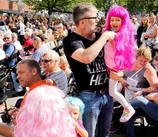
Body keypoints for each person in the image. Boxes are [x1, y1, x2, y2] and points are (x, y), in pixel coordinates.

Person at [63, 2, 116, 137]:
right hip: (89, 97)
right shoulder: (70, 40)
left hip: (107, 94)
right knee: (88, 134)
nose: (98, 20)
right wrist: (104, 37)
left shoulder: (98, 37)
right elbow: (86, 57)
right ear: (82, 22)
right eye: (95, 17)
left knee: (105, 134)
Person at [0, 59, 52, 137]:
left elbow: (22, 133)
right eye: (17, 74)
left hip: (17, 132)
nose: (17, 77)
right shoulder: (38, 88)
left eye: (21, 73)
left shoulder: (37, 96)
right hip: (17, 125)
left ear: (34, 71)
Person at [103, 5, 136, 123]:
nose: (114, 22)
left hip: (114, 70)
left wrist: (121, 72)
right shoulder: (110, 33)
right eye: (112, 19)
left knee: (112, 92)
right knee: (111, 92)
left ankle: (128, 107)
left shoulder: (121, 35)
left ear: (123, 21)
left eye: (117, 20)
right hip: (109, 69)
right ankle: (126, 107)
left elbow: (130, 56)